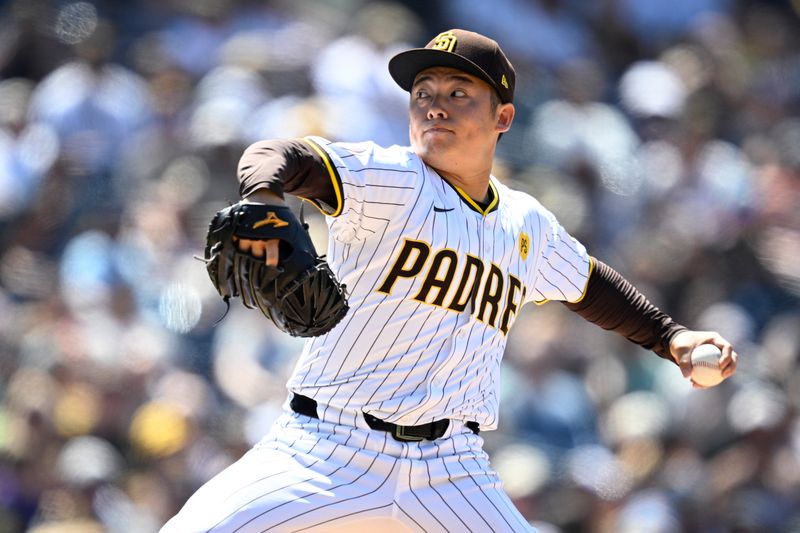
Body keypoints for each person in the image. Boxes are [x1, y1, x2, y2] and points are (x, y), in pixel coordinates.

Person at [161, 29, 738, 533]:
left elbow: (589, 285)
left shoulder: (526, 222)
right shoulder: (391, 178)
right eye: (423, 95)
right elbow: (275, 152)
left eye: (459, 94)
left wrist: (670, 337)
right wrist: (264, 200)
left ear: (503, 118)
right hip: (325, 447)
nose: (435, 106)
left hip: (449, 468)